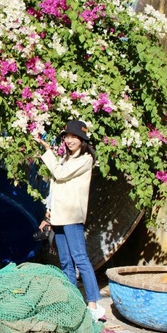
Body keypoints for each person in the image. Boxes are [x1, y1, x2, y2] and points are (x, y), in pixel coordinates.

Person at [35, 119, 106, 322]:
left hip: (72, 217)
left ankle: (93, 305)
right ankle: (72, 301)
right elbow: (56, 187)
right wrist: (48, 212)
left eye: (74, 137)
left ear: (82, 140)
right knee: (65, 261)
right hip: (58, 217)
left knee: (80, 258)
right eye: (67, 136)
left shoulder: (84, 160)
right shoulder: (66, 159)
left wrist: (47, 150)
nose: (70, 140)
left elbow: (60, 174)